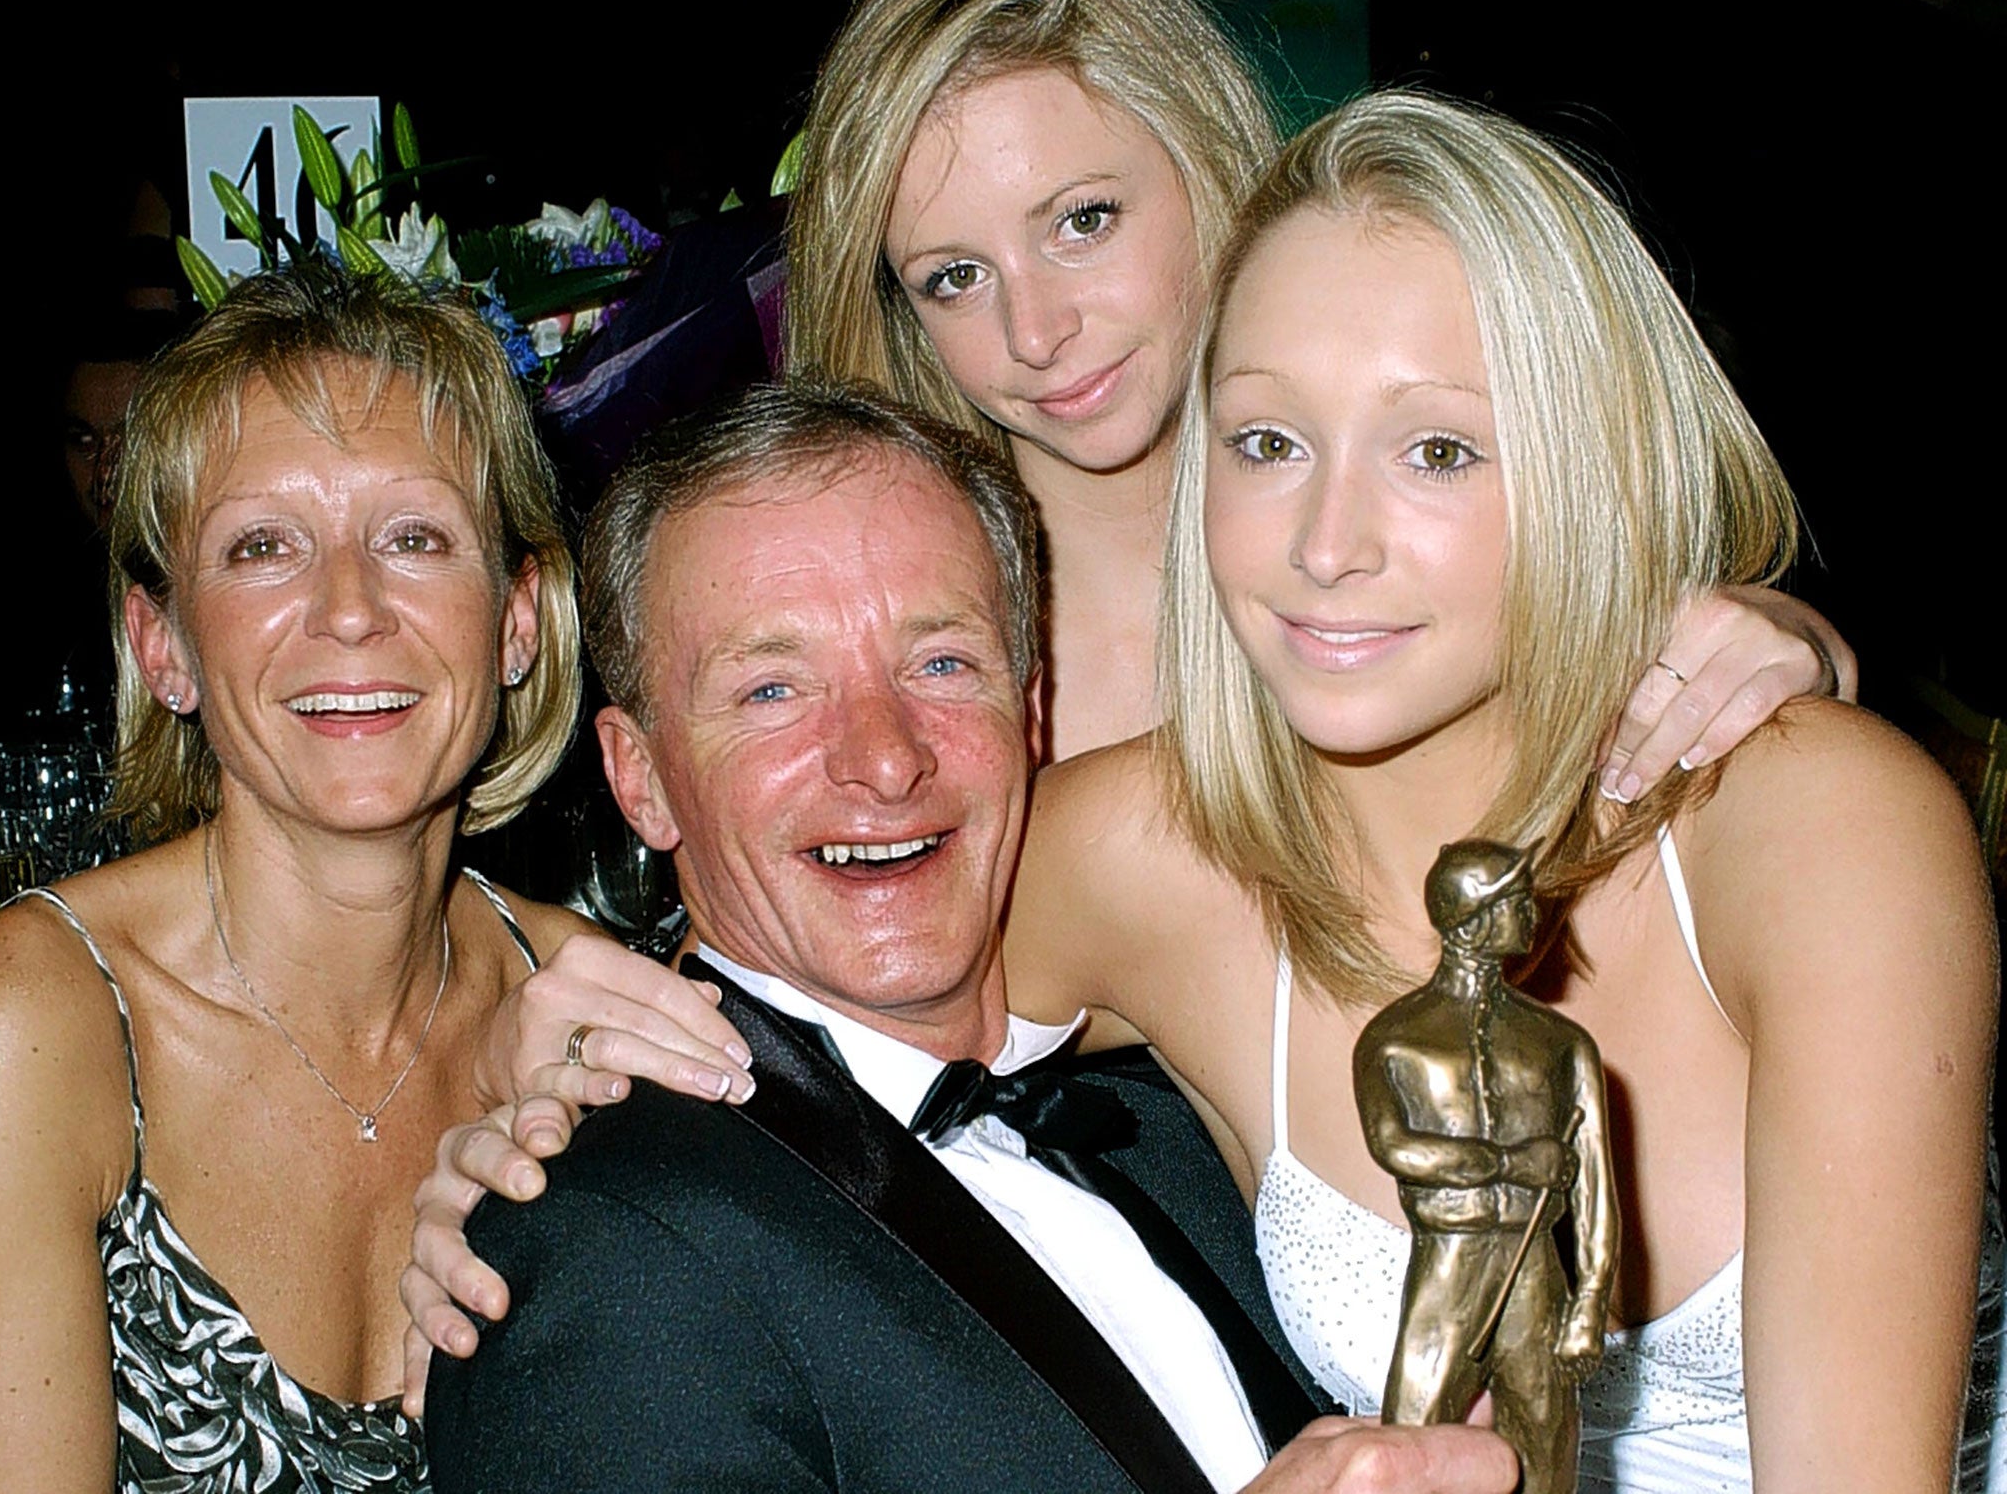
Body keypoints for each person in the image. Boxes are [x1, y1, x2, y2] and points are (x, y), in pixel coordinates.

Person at [409, 93, 2000, 1491]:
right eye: (1265, 442)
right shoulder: (1146, 853)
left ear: (1587, 465)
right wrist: (540, 1062)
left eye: (1438, 451)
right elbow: (808, 969)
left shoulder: (1810, 834)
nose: (1327, 543)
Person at [421, 380, 1521, 1494]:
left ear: (1030, 712)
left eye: (940, 665)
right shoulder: (608, 1256)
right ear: (641, 778)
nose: (885, 758)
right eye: (771, 691)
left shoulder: (1159, 1117)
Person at [0, 263, 748, 1492]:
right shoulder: (24, 1028)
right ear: (161, 643)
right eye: (264, 546)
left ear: (518, 622)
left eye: (415, 537)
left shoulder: (609, 1022)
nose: (349, 609)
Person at [783, 0, 1852, 771]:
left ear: (1206, 162)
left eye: (1083, 220)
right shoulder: (867, 613)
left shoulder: (1416, 531)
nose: (1034, 331)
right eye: (952, 278)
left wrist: (1784, 648)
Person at [1351, 841, 1618, 1494]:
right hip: (1446, 1267)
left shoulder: (1563, 1045)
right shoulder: (1395, 1037)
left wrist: (1589, 1301)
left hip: (1536, 1277)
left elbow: (1597, 1191)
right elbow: (1395, 1146)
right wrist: (1511, 1162)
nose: (1533, 911)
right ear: (1473, 915)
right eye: (1516, 900)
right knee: (1408, 1448)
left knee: (1549, 1451)